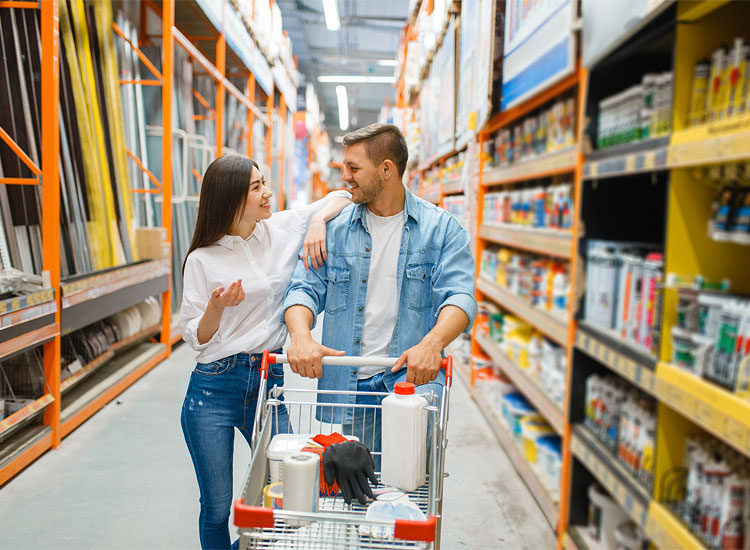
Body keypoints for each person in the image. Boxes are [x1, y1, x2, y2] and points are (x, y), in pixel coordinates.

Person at [282, 123, 477, 479]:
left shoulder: (443, 229)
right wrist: (300, 336)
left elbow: (460, 297)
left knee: (410, 489)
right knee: (355, 492)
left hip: (409, 385)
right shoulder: (335, 229)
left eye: (353, 168)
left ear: (387, 169)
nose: (345, 177)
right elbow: (303, 289)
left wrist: (432, 343)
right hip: (349, 385)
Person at [179, 154, 351, 550]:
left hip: (268, 384)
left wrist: (318, 222)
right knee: (217, 507)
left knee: (291, 489)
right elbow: (195, 337)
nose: (267, 193)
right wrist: (216, 307)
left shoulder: (282, 228)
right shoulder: (202, 260)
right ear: (232, 198)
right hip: (214, 389)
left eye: (264, 183)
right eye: (256, 187)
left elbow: (340, 195)